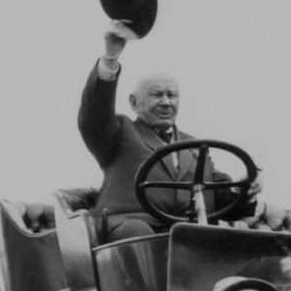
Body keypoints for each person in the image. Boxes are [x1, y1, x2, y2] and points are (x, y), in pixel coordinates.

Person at [78, 21, 262, 242]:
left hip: (185, 236)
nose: (166, 102)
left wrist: (246, 189)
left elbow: (226, 202)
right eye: (157, 94)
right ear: (134, 103)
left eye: (172, 95)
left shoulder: (196, 146)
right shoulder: (121, 131)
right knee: (138, 233)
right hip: (131, 230)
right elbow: (94, 116)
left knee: (218, 242)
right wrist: (110, 58)